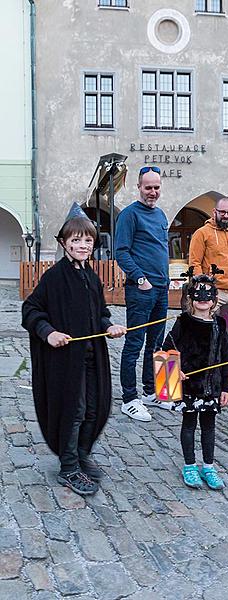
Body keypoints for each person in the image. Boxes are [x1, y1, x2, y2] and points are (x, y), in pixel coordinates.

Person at [22, 212, 126, 496]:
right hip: (67, 362)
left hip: (93, 357)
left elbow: (100, 314)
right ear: (65, 243)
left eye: (88, 240)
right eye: (76, 240)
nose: (83, 245)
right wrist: (49, 333)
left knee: (94, 408)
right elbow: (31, 311)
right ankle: (68, 467)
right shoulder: (54, 277)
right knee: (75, 410)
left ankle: (81, 455)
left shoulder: (91, 277)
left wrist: (109, 326)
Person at [162, 275, 228, 490]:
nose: (203, 299)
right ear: (190, 298)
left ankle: (209, 466)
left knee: (209, 427)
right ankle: (190, 465)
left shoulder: (220, 325)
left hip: (212, 387)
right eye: (198, 295)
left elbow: (227, 356)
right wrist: (176, 370)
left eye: (208, 295)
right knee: (189, 425)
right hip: (190, 387)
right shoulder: (183, 322)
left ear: (214, 299)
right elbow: (168, 348)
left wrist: (226, 388)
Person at [115, 166, 170, 422]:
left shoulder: (160, 216)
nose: (152, 192)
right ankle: (129, 398)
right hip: (141, 290)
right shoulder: (129, 215)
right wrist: (140, 278)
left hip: (161, 289)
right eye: (148, 187)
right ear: (138, 187)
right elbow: (122, 251)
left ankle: (150, 391)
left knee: (156, 345)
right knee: (134, 343)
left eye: (156, 187)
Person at [189, 197, 228, 308]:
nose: (226, 215)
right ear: (214, 212)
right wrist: (204, 289)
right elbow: (194, 263)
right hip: (214, 292)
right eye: (222, 212)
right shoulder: (202, 233)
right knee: (211, 325)